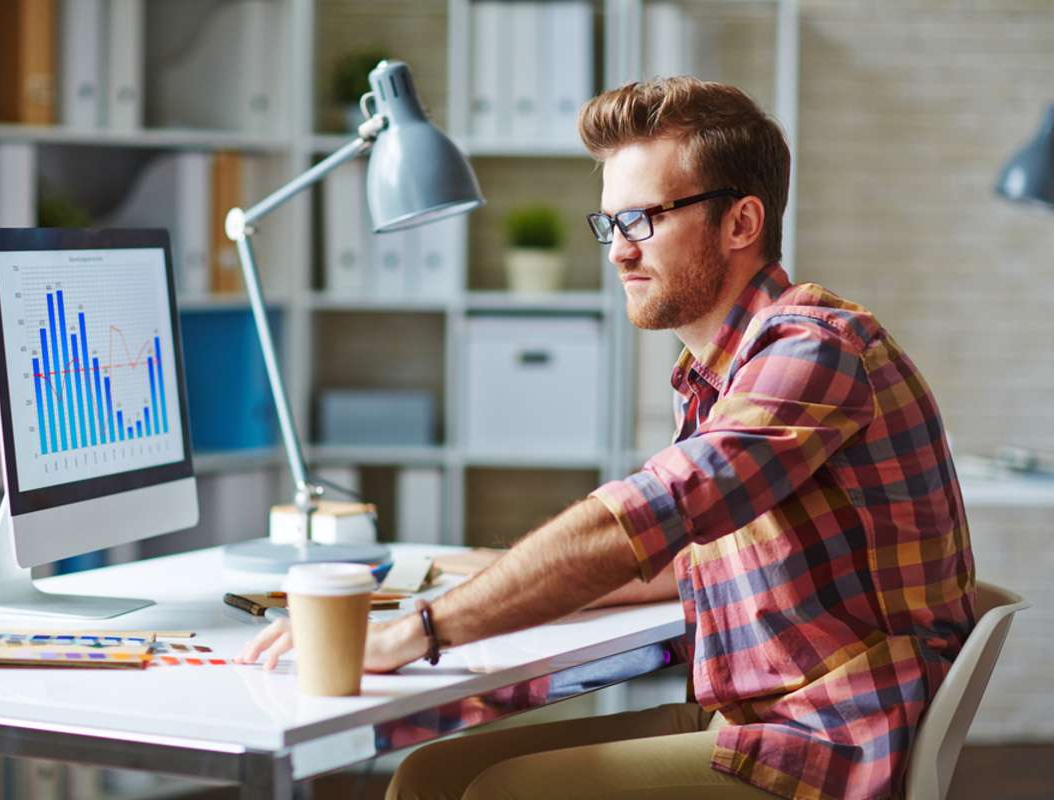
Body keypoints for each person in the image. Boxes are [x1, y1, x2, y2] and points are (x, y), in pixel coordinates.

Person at [239, 77, 976, 800]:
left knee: (498, 791)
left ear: (741, 223)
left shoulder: (812, 352)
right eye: (610, 224)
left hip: (830, 740)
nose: (619, 251)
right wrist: (485, 583)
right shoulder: (718, 374)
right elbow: (684, 556)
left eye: (642, 220)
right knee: (431, 776)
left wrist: (421, 630)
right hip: (757, 716)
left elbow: (652, 514)